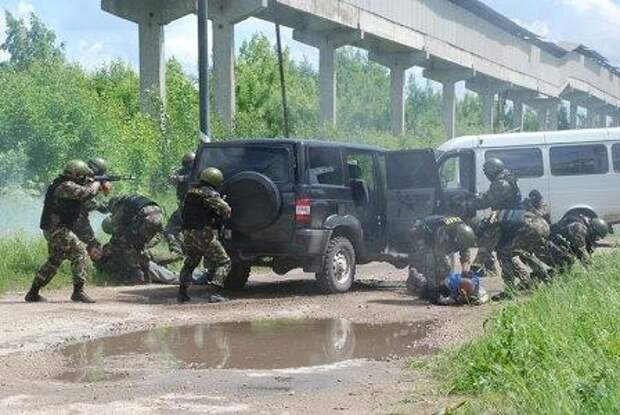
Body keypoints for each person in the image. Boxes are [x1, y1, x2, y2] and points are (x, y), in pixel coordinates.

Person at [25, 160, 104, 303]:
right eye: (82, 176)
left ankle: (33, 293)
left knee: (54, 260)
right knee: (79, 252)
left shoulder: (61, 183)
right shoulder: (65, 186)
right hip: (57, 229)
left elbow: (85, 199)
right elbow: (86, 194)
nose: (83, 178)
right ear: (76, 175)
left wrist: (95, 183)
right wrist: (97, 184)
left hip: (54, 228)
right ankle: (78, 292)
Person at [178, 167, 232, 303]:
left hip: (187, 232)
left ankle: (182, 293)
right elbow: (226, 210)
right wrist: (224, 203)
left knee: (191, 262)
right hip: (202, 233)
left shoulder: (191, 191)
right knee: (224, 262)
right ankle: (215, 293)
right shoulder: (209, 193)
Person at [406, 215, 477, 304]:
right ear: (456, 238)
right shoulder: (443, 231)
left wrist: (465, 271)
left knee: (444, 271)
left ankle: (432, 287)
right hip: (421, 234)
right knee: (432, 261)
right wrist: (434, 290)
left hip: (434, 237)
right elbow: (436, 260)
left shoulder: (464, 233)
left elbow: (465, 255)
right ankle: (418, 281)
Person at [95, 195, 166, 284]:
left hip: (147, 218)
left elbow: (117, 229)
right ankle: (146, 275)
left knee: (127, 243)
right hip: (158, 215)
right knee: (139, 246)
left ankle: (137, 274)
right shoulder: (130, 201)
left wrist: (110, 246)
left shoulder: (121, 207)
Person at [470, 158, 522, 277]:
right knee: (504, 250)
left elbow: (485, 201)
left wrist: (469, 202)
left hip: (508, 217)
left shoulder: (501, 183)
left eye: (487, 172)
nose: (487, 175)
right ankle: (518, 282)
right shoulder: (507, 178)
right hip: (511, 215)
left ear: (493, 170)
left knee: (487, 237)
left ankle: (476, 271)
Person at [493, 210, 551, 298]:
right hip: (542, 224)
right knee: (524, 253)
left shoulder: (492, 225)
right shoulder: (504, 213)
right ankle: (542, 275)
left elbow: (485, 251)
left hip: (530, 227)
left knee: (504, 254)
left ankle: (510, 290)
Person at [73, 158, 112, 261]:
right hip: (75, 219)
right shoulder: (83, 182)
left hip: (64, 218)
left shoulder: (76, 176)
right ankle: (102, 266)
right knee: (94, 244)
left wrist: (101, 185)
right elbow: (101, 208)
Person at [164, 152, 196, 255]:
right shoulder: (183, 171)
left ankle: (177, 250)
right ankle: (182, 251)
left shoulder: (196, 172)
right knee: (183, 230)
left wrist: (180, 179)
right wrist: (173, 178)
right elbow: (172, 180)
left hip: (188, 205)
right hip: (185, 205)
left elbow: (191, 178)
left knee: (170, 229)